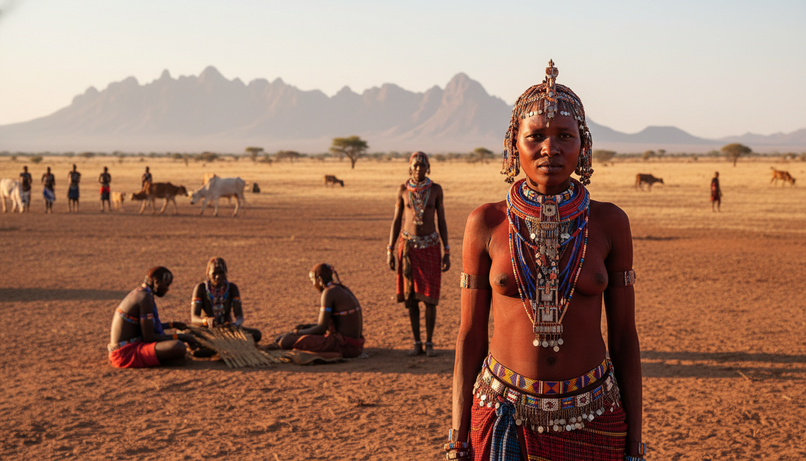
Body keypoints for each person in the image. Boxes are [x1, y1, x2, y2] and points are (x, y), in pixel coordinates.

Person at [448, 61, 645, 461]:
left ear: (583, 145)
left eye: (565, 137)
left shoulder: (609, 223)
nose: (550, 148)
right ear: (513, 144)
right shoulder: (486, 222)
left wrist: (636, 444)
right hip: (504, 415)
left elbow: (625, 337)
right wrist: (457, 435)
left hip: (594, 417)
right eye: (535, 136)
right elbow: (470, 335)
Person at [387, 151, 450, 357]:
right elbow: (396, 221)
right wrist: (389, 249)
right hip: (408, 248)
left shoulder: (436, 190)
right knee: (411, 297)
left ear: (428, 168)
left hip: (431, 247)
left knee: (430, 298)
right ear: (409, 167)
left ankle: (430, 343)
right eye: (414, 165)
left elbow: (441, 220)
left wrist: (447, 250)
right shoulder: (402, 190)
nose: (418, 169)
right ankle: (416, 342)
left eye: (422, 165)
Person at [108, 266, 198, 368]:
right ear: (157, 282)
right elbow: (149, 337)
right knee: (178, 346)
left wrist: (171, 325)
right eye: (166, 284)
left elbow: (146, 327)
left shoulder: (143, 293)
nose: (167, 289)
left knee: (178, 357)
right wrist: (181, 337)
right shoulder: (144, 298)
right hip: (125, 354)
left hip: (127, 349)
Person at [275, 263, 365, 358]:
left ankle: (330, 355)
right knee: (284, 338)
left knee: (286, 341)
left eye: (312, 280)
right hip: (355, 345)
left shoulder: (328, 292)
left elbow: (322, 328)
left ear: (318, 279)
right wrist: (308, 327)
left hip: (345, 347)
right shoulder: (342, 288)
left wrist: (298, 333)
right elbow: (332, 325)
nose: (314, 284)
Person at [189, 257, 262, 343]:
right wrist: (207, 321)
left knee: (256, 334)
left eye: (221, 273)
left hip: (227, 330)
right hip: (207, 330)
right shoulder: (200, 288)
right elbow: (194, 318)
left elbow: (240, 316)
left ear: (225, 273)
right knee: (188, 334)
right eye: (214, 273)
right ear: (208, 274)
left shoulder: (232, 288)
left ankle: (217, 343)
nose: (218, 277)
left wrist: (235, 325)